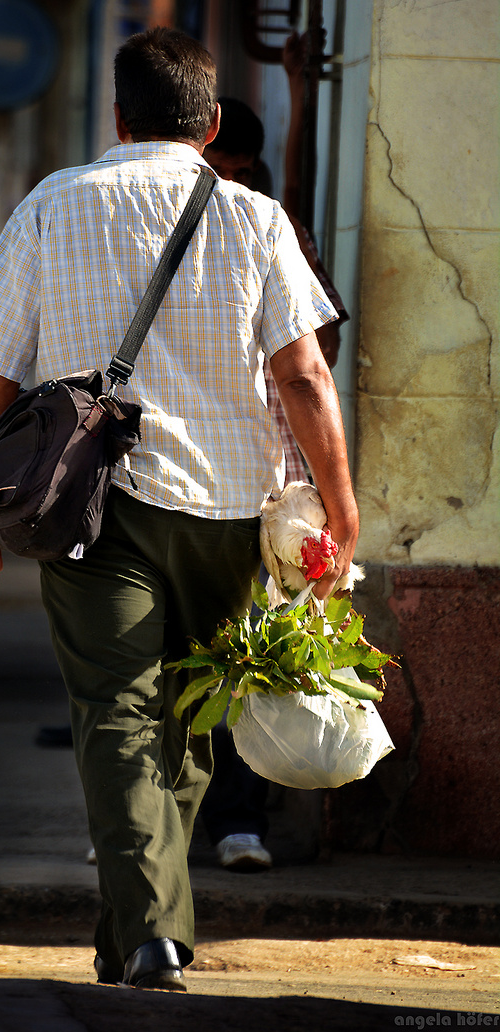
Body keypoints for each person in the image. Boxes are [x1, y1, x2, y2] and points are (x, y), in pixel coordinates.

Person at [0, 27, 359, 993]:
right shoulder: (256, 219)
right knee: (187, 721)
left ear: (118, 117)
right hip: (225, 512)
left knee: (117, 718)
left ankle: (147, 937)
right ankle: (143, 934)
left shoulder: (55, 204)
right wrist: (340, 510)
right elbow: (303, 374)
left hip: (93, 507)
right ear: (212, 125)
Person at [199, 91, 349, 871]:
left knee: (250, 655)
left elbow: (315, 352)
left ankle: (237, 820)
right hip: (182, 477)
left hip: (270, 487)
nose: (217, 182)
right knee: (172, 657)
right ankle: (147, 825)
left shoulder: (269, 230)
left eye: (233, 171)